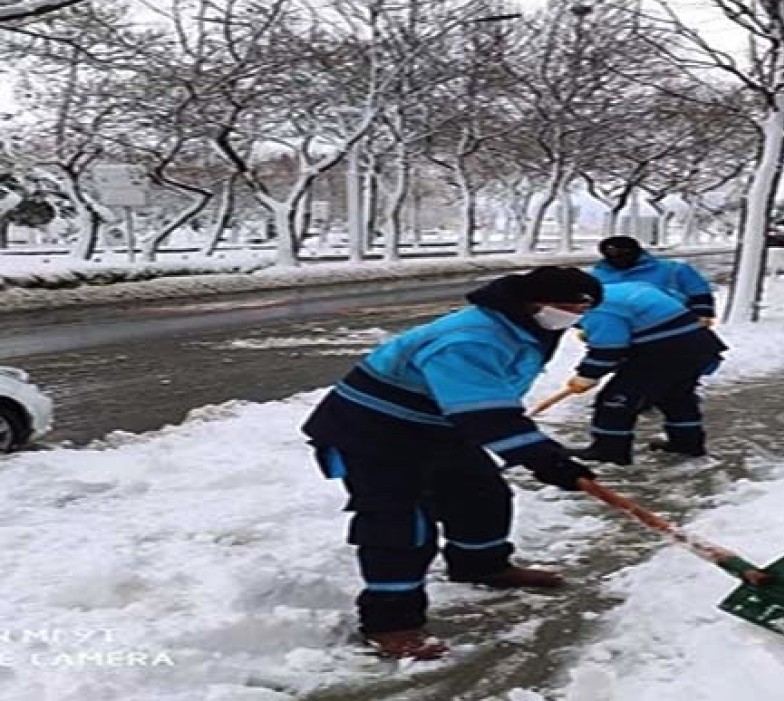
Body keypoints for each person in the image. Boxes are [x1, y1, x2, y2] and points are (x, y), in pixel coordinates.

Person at [300, 267, 602, 661]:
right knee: (401, 524)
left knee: (481, 493)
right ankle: (390, 623)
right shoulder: (470, 339)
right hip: (371, 430)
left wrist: (542, 455)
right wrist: (547, 460)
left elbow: (488, 401)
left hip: (436, 424)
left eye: (584, 308)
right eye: (568, 307)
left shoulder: (524, 328)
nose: (575, 315)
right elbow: (485, 413)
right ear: (534, 302)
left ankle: (481, 565)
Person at [566, 281, 727, 466]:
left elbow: (609, 349)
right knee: (676, 398)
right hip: (699, 346)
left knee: (615, 402)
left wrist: (586, 376)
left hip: (663, 356)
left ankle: (609, 450)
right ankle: (687, 444)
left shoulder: (597, 310)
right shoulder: (619, 289)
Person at [591, 235, 716, 323]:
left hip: (671, 323)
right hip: (619, 327)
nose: (618, 258)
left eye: (624, 252)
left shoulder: (673, 269)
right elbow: (586, 303)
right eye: (612, 254)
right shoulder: (598, 275)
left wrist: (702, 315)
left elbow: (699, 291)